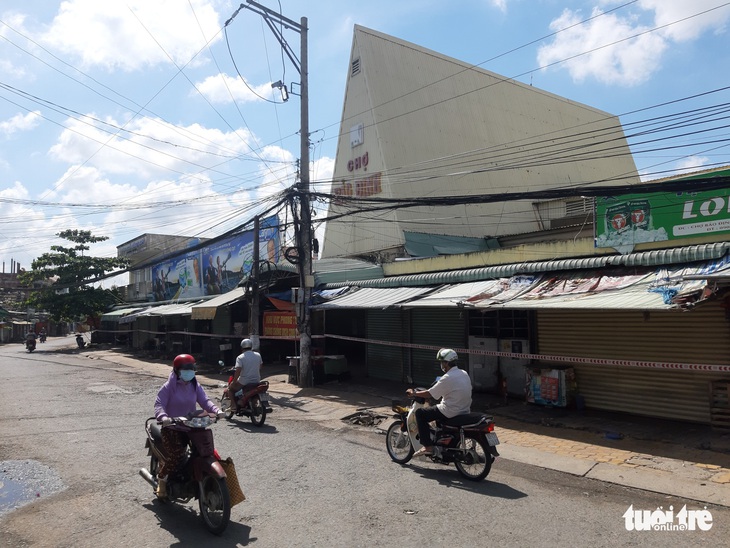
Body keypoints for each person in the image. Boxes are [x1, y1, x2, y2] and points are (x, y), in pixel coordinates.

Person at [153, 354, 224, 499]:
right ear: (177, 370)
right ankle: (162, 479)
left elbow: (205, 401)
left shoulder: (194, 385)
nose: (190, 372)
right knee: (177, 454)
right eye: (186, 369)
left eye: (192, 368)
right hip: (172, 427)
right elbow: (159, 404)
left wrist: (217, 411)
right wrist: (164, 417)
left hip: (191, 426)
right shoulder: (168, 387)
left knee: (203, 450)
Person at [406, 348, 472, 458]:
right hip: (464, 409)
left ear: (446, 363)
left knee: (420, 414)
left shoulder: (447, 377)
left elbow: (430, 393)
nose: (441, 364)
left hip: (450, 410)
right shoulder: (464, 373)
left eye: (442, 362)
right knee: (435, 412)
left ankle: (427, 446)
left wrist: (414, 393)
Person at [228, 338, 263, 413]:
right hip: (257, 380)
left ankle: (233, 406)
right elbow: (260, 366)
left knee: (230, 389)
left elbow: (238, 370)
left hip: (244, 381)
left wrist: (234, 381)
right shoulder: (258, 355)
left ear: (242, 347)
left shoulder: (240, 357)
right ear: (251, 346)